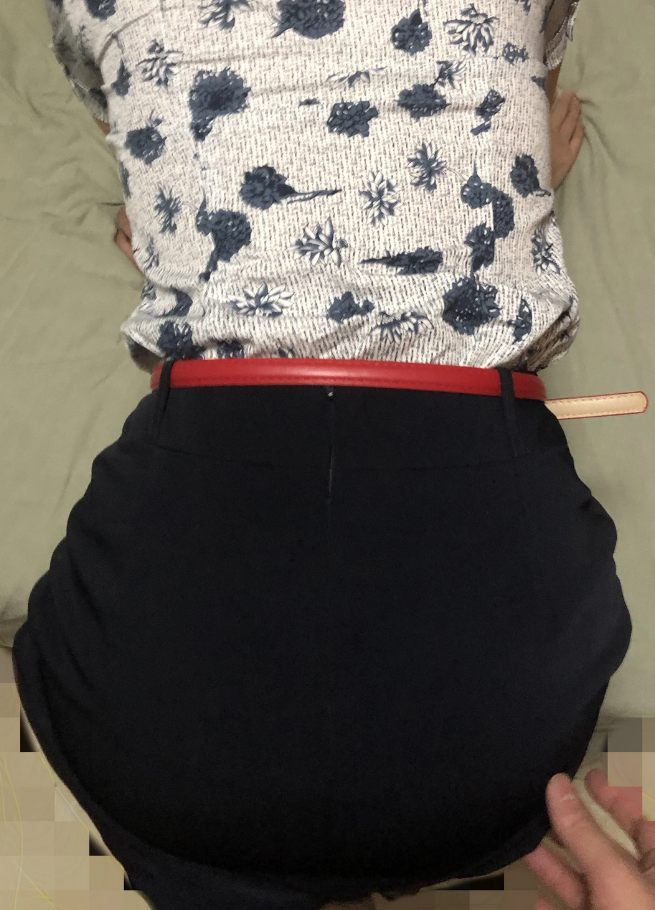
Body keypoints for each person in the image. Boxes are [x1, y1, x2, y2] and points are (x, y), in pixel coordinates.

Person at [12, 2, 634, 909]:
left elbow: (131, 107)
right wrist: (520, 178)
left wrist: (194, 255)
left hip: (161, 744)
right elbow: (524, 71)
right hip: (490, 765)